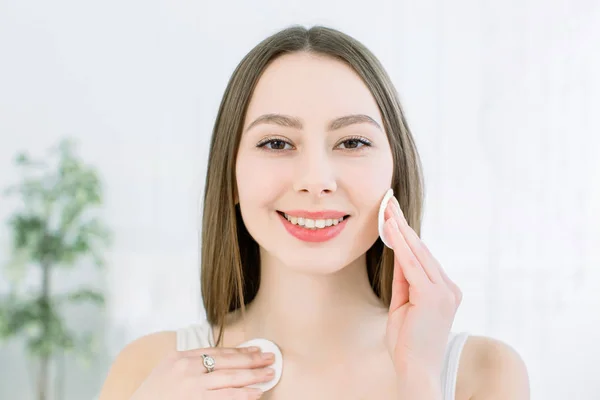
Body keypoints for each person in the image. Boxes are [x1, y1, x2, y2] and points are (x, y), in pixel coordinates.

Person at [98, 25, 530, 400]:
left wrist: (418, 379)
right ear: (230, 175)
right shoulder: (149, 371)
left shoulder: (483, 374)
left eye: (352, 142)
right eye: (276, 143)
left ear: (395, 172)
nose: (316, 179)